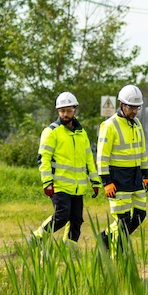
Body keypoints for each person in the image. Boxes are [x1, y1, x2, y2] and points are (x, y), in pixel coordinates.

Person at [35, 92, 100, 242]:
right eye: (62, 111)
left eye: (69, 110)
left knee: (76, 221)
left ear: (75, 110)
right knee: (61, 216)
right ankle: (37, 237)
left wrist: (95, 181)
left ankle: (69, 250)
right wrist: (47, 182)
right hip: (58, 186)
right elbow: (43, 159)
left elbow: (88, 159)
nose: (65, 114)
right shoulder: (51, 132)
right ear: (58, 111)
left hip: (78, 186)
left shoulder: (81, 133)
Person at [97, 84, 148, 250]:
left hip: (136, 178)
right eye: (131, 107)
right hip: (118, 180)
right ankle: (113, 248)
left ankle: (107, 239)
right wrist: (106, 182)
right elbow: (102, 157)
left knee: (140, 215)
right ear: (121, 105)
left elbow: (142, 151)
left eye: (137, 108)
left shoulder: (137, 124)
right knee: (123, 220)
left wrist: (145, 174)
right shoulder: (109, 125)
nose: (134, 111)